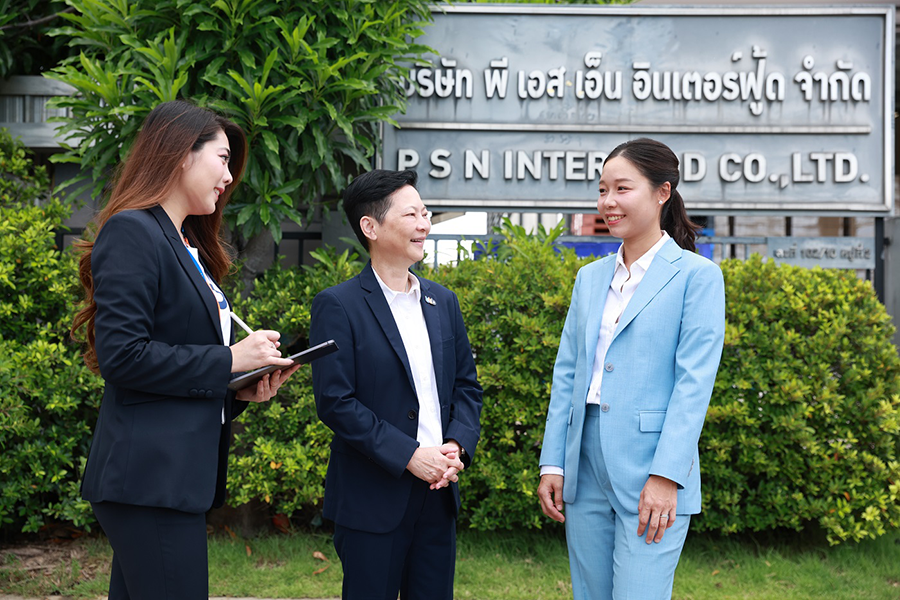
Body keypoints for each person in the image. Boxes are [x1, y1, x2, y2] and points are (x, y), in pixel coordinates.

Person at [71, 100, 299, 599]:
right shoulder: (134, 231)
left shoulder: (183, 245)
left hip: (166, 479)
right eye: (222, 158)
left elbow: (173, 366)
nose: (229, 176)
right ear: (180, 154)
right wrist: (231, 359)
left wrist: (237, 390)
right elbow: (124, 356)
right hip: (148, 480)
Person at [537, 138, 726, 599]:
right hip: (584, 466)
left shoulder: (697, 277)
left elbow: (693, 385)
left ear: (662, 192)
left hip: (652, 468)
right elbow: (568, 373)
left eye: (622, 188)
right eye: (602, 190)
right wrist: (553, 460)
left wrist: (667, 476)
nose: (608, 202)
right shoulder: (590, 278)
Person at [309, 168, 483, 600]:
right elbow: (336, 402)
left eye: (425, 213)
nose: (424, 224)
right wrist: (409, 455)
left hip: (438, 494)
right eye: (411, 215)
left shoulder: (443, 301)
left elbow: (466, 387)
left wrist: (456, 447)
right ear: (370, 226)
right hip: (372, 498)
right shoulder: (338, 305)